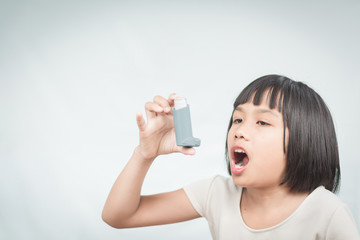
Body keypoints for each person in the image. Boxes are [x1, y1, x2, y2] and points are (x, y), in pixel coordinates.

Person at [102, 75, 360, 239]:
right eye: (237, 119)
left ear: (305, 141)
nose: (239, 131)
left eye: (262, 122)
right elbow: (118, 216)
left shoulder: (327, 212)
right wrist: (145, 154)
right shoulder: (216, 194)